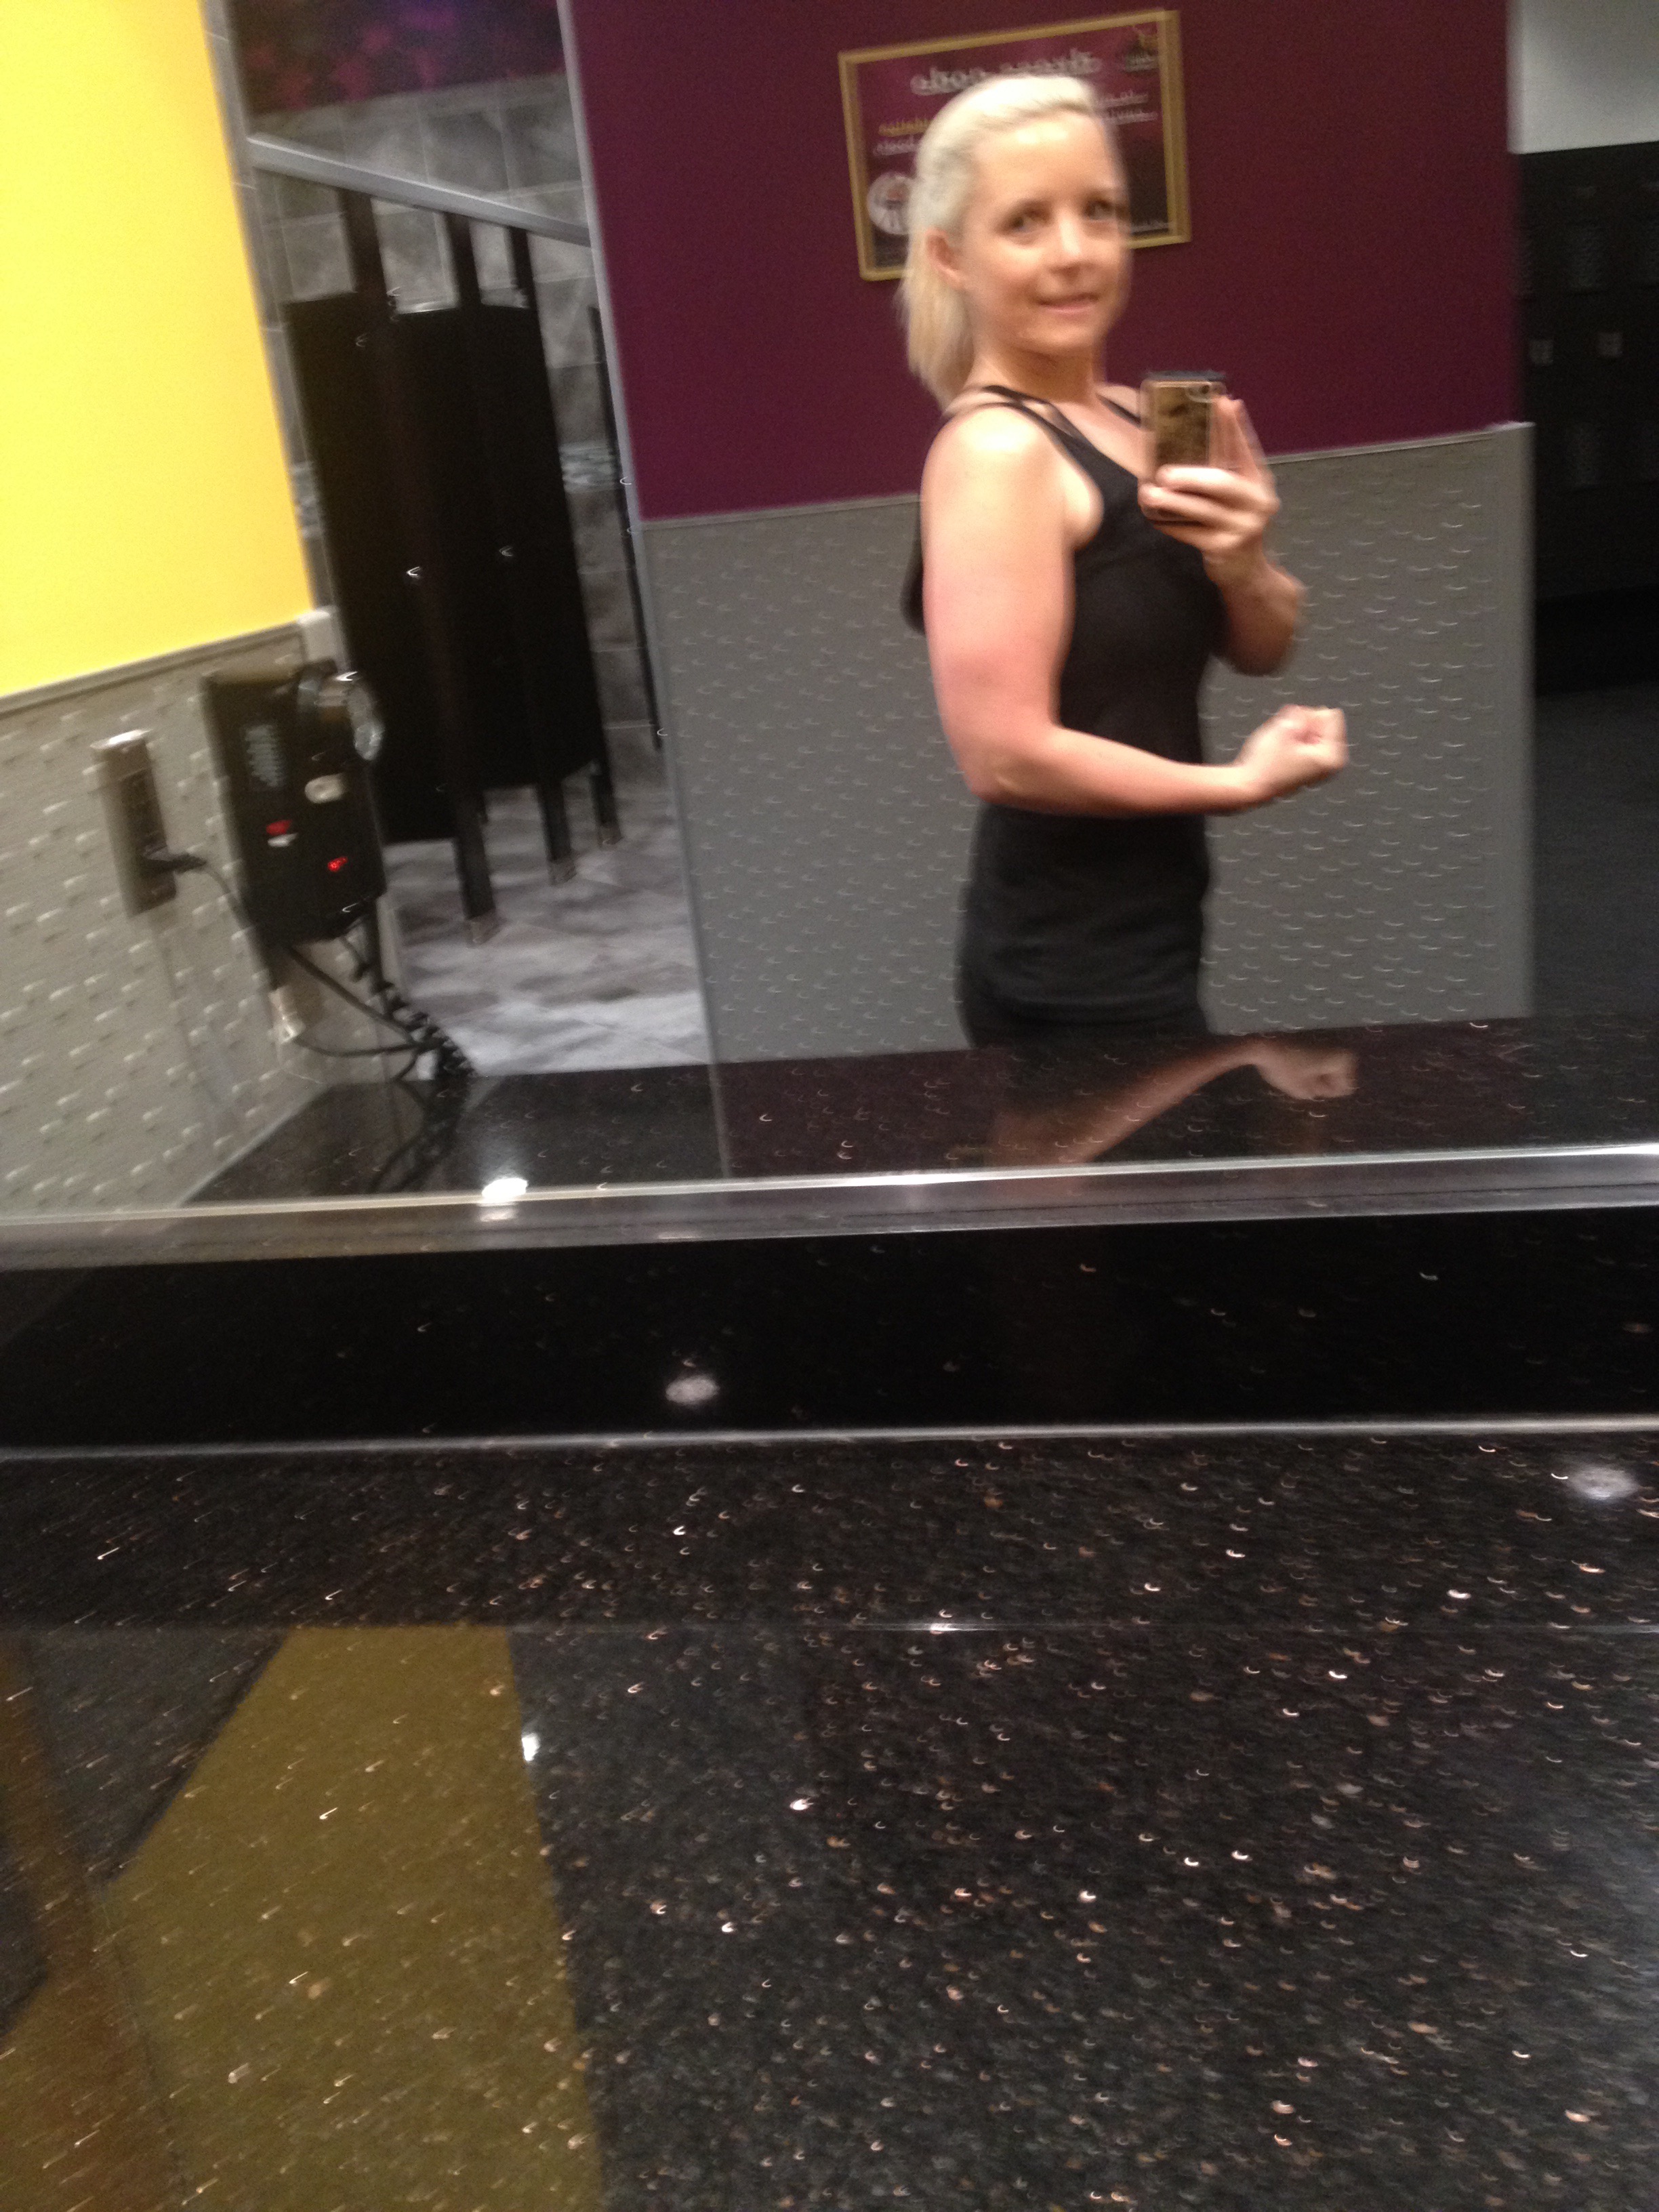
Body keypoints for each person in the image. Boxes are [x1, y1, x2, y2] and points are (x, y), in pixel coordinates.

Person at [900, 73, 1347, 1046]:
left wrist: (1244, 560)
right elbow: (1004, 756)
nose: (1074, 253)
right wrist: (1239, 785)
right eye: (1025, 222)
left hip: (1159, 926)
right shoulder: (996, 452)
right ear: (950, 257)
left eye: (1098, 211)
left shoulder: (1150, 419)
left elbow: (1264, 648)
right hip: (1066, 969)